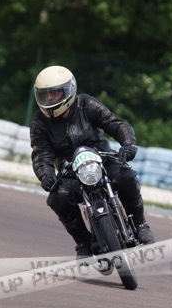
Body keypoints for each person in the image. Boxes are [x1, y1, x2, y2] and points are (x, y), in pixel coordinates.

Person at [29, 65, 156, 259]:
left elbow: (114, 123)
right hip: (70, 171)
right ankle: (83, 244)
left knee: (126, 177)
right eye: (46, 95)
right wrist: (45, 174)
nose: (51, 99)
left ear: (69, 90)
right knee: (58, 198)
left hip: (102, 158)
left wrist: (128, 144)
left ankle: (140, 225)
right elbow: (41, 152)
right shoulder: (39, 122)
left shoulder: (86, 104)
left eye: (55, 93)